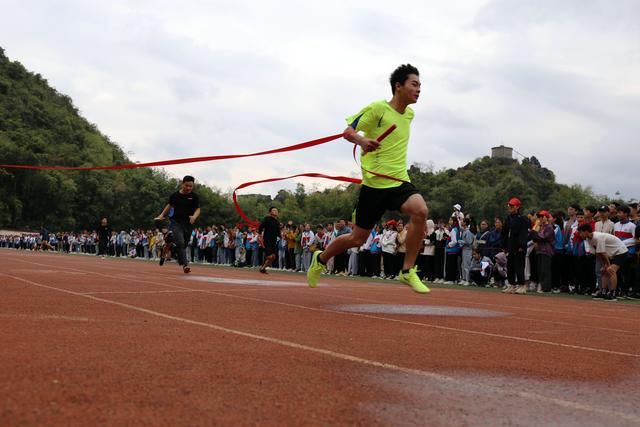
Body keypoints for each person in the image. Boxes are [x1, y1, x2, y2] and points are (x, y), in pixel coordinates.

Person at [307, 64, 429, 293]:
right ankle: (320, 259)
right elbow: (348, 131)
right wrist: (362, 141)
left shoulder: (410, 114)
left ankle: (407, 270)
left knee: (421, 211)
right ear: (398, 86)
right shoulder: (378, 109)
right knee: (356, 239)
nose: (419, 89)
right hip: (374, 186)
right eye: (414, 84)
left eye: (420, 85)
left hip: (399, 181)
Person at [154, 175, 200, 274]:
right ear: (182, 184)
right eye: (186, 185)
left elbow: (198, 209)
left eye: (191, 186)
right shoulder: (175, 195)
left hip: (188, 224)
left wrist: (194, 217)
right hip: (175, 223)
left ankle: (166, 249)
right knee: (180, 242)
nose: (188, 188)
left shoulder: (194, 196)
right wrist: (162, 215)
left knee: (182, 245)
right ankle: (185, 265)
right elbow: (169, 205)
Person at [578, 223, 628, 301]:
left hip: (620, 252)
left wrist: (607, 265)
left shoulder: (598, 237)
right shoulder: (588, 239)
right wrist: (604, 265)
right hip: (611, 254)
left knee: (611, 270)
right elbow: (598, 253)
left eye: (580, 232)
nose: (580, 234)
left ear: (586, 232)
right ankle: (603, 292)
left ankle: (613, 293)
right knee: (604, 271)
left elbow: (603, 253)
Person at [501, 197, 530, 294]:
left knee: (519, 266)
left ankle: (522, 285)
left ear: (517, 207)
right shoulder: (508, 218)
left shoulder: (522, 219)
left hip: (519, 247)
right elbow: (504, 232)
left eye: (512, 205)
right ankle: (511, 285)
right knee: (510, 266)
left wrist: (522, 245)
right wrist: (504, 245)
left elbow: (523, 233)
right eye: (509, 205)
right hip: (510, 246)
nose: (509, 207)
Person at [258, 206, 281, 274]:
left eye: (276, 210)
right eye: (274, 210)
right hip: (267, 239)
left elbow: (278, 232)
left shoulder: (277, 222)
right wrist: (259, 234)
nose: (276, 211)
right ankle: (265, 253)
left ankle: (263, 268)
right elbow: (261, 226)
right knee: (269, 256)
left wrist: (280, 236)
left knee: (273, 257)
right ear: (270, 212)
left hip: (273, 241)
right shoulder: (267, 219)